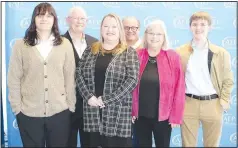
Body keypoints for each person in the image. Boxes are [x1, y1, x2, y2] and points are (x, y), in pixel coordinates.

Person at [7, 2, 76, 147]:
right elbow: (14, 79)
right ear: (34, 19)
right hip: (29, 114)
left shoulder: (65, 44)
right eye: (40, 15)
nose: (44, 18)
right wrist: (17, 109)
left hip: (60, 113)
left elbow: (70, 77)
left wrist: (71, 106)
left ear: (54, 19)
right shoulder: (21, 45)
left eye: (48, 15)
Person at [75, 13, 139, 147]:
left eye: (114, 26)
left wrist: (106, 100)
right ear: (101, 28)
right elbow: (78, 74)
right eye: (106, 26)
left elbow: (132, 81)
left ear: (120, 29)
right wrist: (88, 97)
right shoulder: (90, 49)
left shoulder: (129, 52)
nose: (110, 30)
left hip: (118, 115)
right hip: (92, 112)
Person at [176, 11, 234, 147]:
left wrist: (223, 101)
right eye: (195, 24)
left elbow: (228, 79)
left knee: (212, 145)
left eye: (203, 24)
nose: (198, 28)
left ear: (210, 27)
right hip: (189, 104)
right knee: (187, 145)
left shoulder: (221, 53)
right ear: (190, 27)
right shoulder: (180, 52)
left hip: (213, 104)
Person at [132, 20, 185, 147]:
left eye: (158, 34)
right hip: (140, 116)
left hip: (164, 117)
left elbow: (180, 87)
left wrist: (176, 115)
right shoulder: (136, 55)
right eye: (151, 33)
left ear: (164, 37)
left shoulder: (173, 57)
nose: (154, 37)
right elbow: (130, 86)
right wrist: (132, 111)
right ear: (146, 35)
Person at [63, 6, 98, 148]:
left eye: (82, 18)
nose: (79, 21)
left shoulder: (95, 43)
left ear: (87, 21)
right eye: (75, 18)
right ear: (67, 20)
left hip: (90, 105)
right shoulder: (58, 42)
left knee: (90, 143)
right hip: (66, 105)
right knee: (67, 142)